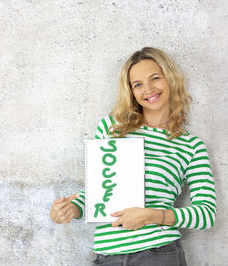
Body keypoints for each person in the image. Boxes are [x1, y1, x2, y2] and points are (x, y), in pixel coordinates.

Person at [50, 47, 216, 266]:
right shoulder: (111, 128)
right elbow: (101, 191)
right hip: (107, 257)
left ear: (170, 79)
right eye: (138, 84)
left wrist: (151, 216)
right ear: (131, 91)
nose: (148, 89)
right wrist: (73, 208)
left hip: (159, 255)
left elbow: (206, 214)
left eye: (155, 78)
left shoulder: (190, 146)